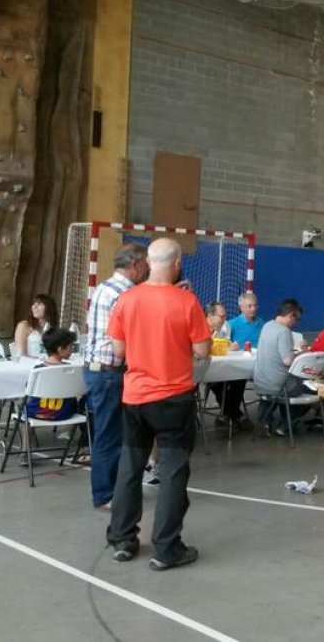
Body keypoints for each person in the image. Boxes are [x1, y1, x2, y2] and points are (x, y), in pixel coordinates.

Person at [105, 238, 211, 571]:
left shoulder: (127, 299)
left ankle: (122, 538)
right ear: (177, 262)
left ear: (149, 262)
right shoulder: (187, 301)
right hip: (173, 398)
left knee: (130, 467)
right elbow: (203, 351)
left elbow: (119, 351)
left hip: (135, 396)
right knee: (173, 471)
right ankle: (166, 548)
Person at [84, 242, 149, 511]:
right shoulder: (126, 294)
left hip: (100, 370)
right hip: (110, 372)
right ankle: (105, 495)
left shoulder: (104, 288)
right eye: (146, 263)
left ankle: (112, 490)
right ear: (135, 265)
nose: (148, 268)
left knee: (112, 434)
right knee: (110, 436)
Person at [17, 327, 80, 465]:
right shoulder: (73, 370)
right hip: (65, 413)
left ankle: (25, 451)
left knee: (23, 407)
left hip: (38, 413)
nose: (72, 350)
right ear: (60, 349)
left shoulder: (38, 370)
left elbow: (29, 390)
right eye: (70, 347)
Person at [253, 299, 311, 436]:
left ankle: (266, 420)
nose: (295, 323)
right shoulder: (284, 331)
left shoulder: (267, 325)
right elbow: (288, 361)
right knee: (311, 388)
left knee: (286, 384)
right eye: (297, 319)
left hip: (261, 383)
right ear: (291, 315)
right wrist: (304, 353)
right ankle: (287, 424)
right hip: (278, 386)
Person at [203, 302, 248, 430]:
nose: (224, 320)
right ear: (210, 316)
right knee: (217, 383)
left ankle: (228, 414)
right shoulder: (199, 329)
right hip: (201, 370)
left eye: (225, 317)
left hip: (217, 367)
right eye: (221, 317)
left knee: (240, 377)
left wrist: (231, 346)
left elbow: (224, 344)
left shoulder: (221, 328)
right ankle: (235, 415)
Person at [14, 293, 59, 359]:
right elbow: (20, 354)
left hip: (49, 364)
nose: (35, 307)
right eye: (34, 304)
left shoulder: (54, 328)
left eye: (40, 304)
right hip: (29, 365)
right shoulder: (24, 326)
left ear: (49, 308)